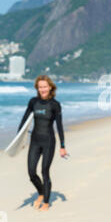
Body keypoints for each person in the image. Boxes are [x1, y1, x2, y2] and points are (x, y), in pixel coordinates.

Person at [18, 75, 68, 211]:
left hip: (49, 142)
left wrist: (62, 146)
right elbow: (24, 120)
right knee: (31, 172)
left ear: (50, 87)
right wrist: (19, 139)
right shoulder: (33, 102)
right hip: (35, 141)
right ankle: (41, 192)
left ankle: (46, 202)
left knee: (45, 171)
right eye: (40, 87)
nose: (42, 89)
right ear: (37, 88)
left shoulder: (55, 105)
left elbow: (59, 126)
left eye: (45, 86)